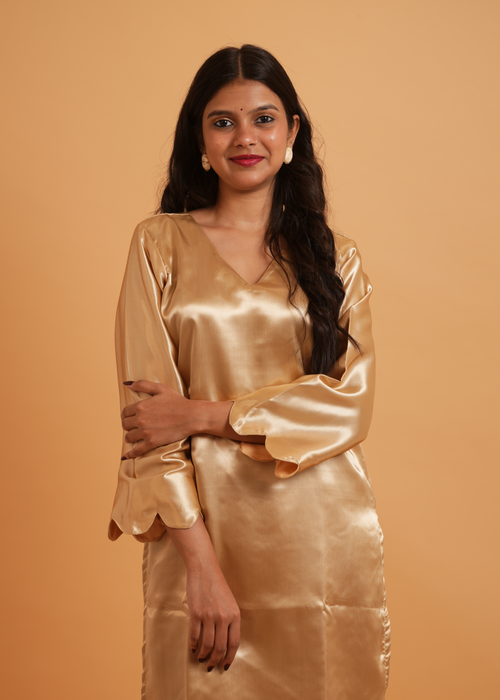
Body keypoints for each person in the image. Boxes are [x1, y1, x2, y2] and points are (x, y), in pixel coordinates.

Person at [108, 44, 391, 700]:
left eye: (264, 119)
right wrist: (201, 568)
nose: (245, 137)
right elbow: (150, 429)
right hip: (200, 535)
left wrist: (204, 414)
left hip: (322, 544)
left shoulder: (335, 259)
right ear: (200, 141)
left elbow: (350, 404)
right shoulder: (158, 244)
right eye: (223, 121)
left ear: (291, 134)